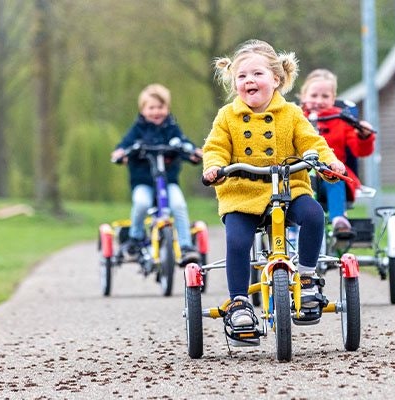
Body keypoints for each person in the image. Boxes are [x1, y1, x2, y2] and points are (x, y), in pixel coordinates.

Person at [202, 40, 345, 336]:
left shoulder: (291, 114)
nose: (248, 81)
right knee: (238, 242)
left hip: (288, 187)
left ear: (276, 79)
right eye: (242, 76)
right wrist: (214, 167)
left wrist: (327, 161)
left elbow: (312, 142)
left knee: (315, 215)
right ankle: (240, 303)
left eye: (257, 74)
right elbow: (215, 147)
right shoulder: (227, 116)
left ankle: (306, 278)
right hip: (242, 192)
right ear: (234, 81)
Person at [111, 83, 203, 266]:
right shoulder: (138, 129)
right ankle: (135, 238)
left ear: (167, 109)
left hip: (168, 182)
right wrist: (121, 153)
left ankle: (185, 247)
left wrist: (193, 153)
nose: (156, 112)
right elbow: (125, 145)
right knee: (141, 203)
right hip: (143, 182)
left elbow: (184, 144)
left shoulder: (172, 128)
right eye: (151, 108)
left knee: (179, 205)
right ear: (143, 109)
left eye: (160, 107)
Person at [299, 69, 375, 233]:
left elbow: (359, 150)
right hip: (301, 176)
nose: (319, 101)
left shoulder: (342, 120)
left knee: (334, 177)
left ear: (333, 99)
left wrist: (363, 136)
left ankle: (339, 221)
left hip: (332, 176)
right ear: (303, 96)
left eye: (325, 96)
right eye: (314, 95)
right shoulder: (295, 118)